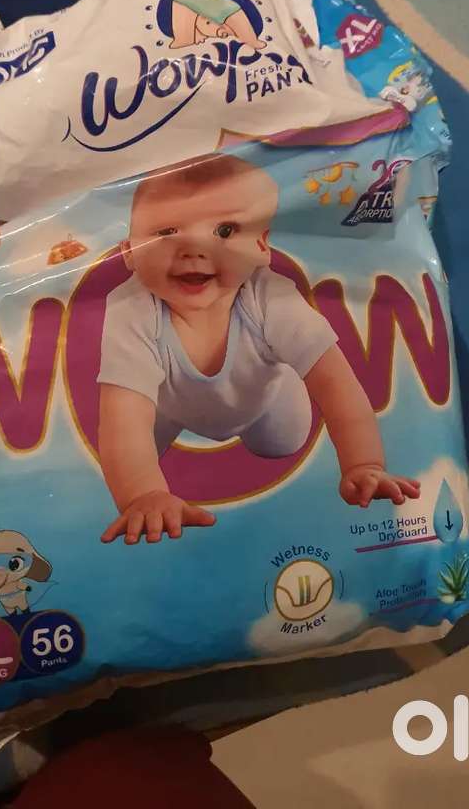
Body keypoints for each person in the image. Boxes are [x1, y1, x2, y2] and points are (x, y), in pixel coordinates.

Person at [97, 154, 420, 545]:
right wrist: (143, 495)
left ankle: (280, 392)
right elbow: (122, 416)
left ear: (262, 246)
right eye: (166, 231)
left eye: (225, 230)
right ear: (128, 252)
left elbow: (336, 383)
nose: (194, 248)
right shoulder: (129, 309)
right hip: (167, 405)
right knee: (128, 450)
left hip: (265, 402)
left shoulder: (270, 297)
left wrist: (365, 463)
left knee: (282, 443)